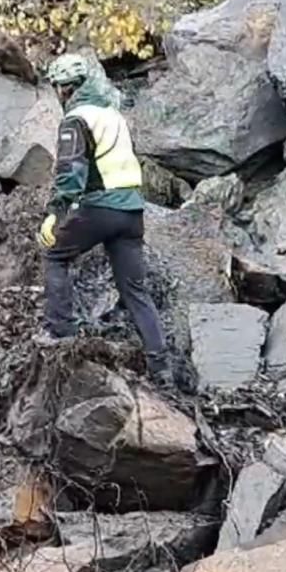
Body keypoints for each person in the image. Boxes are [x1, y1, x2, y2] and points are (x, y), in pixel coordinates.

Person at [34, 53, 175, 387]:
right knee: (134, 291)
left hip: (100, 207)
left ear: (63, 88)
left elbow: (71, 173)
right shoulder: (112, 115)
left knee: (55, 255)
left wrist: (56, 213)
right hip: (132, 212)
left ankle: (61, 333)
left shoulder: (76, 119)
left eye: (56, 87)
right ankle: (161, 367)